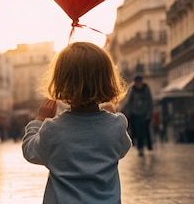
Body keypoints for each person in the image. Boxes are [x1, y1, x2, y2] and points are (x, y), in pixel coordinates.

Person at [22, 42, 131, 204]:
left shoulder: (53, 130)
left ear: (60, 82)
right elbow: (122, 149)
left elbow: (30, 151)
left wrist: (39, 120)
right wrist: (112, 116)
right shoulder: (116, 125)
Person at [121, 75, 154, 156]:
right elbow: (128, 101)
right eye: (137, 83)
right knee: (138, 131)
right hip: (136, 114)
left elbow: (150, 101)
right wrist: (123, 110)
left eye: (139, 82)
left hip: (145, 114)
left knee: (145, 131)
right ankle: (140, 147)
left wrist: (149, 112)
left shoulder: (146, 89)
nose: (138, 84)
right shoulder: (133, 90)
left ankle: (148, 145)